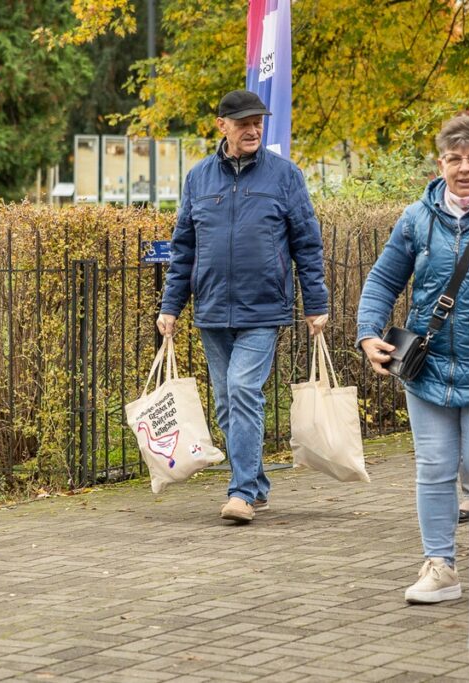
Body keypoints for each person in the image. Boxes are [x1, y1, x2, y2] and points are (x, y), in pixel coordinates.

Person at [157, 89, 329, 523]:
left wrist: (316, 303)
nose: (253, 129)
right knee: (225, 403)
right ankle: (258, 484)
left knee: (242, 390)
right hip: (212, 309)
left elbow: (307, 244)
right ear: (222, 127)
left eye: (258, 122)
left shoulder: (284, 176)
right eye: (244, 123)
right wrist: (171, 306)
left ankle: (243, 492)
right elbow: (184, 248)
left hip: (263, 308)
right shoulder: (199, 178)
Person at [356, 114, 469, 603]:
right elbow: (384, 281)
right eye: (455, 159)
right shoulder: (417, 218)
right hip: (428, 369)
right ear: (440, 163)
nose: (465, 168)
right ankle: (440, 567)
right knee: (434, 467)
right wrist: (368, 334)